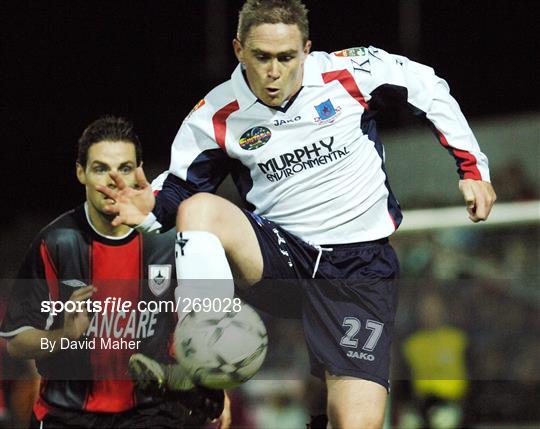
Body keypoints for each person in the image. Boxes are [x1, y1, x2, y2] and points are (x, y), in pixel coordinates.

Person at [98, 1, 497, 427]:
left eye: (286, 57)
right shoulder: (216, 114)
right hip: (280, 258)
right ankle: (201, 365)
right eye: (261, 57)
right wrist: (147, 208)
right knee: (200, 211)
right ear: (238, 50)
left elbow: (427, 87)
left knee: (356, 422)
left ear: (306, 49)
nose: (274, 72)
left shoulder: (351, 73)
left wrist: (472, 167)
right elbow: (177, 190)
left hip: (358, 270)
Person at [0, 116, 230, 428]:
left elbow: (198, 326)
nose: (113, 180)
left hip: (154, 414)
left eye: (123, 168)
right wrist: (63, 335)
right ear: (80, 172)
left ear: (139, 172)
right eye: (100, 168)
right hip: (68, 416)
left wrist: (217, 386)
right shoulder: (55, 243)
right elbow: (17, 342)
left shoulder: (171, 241)